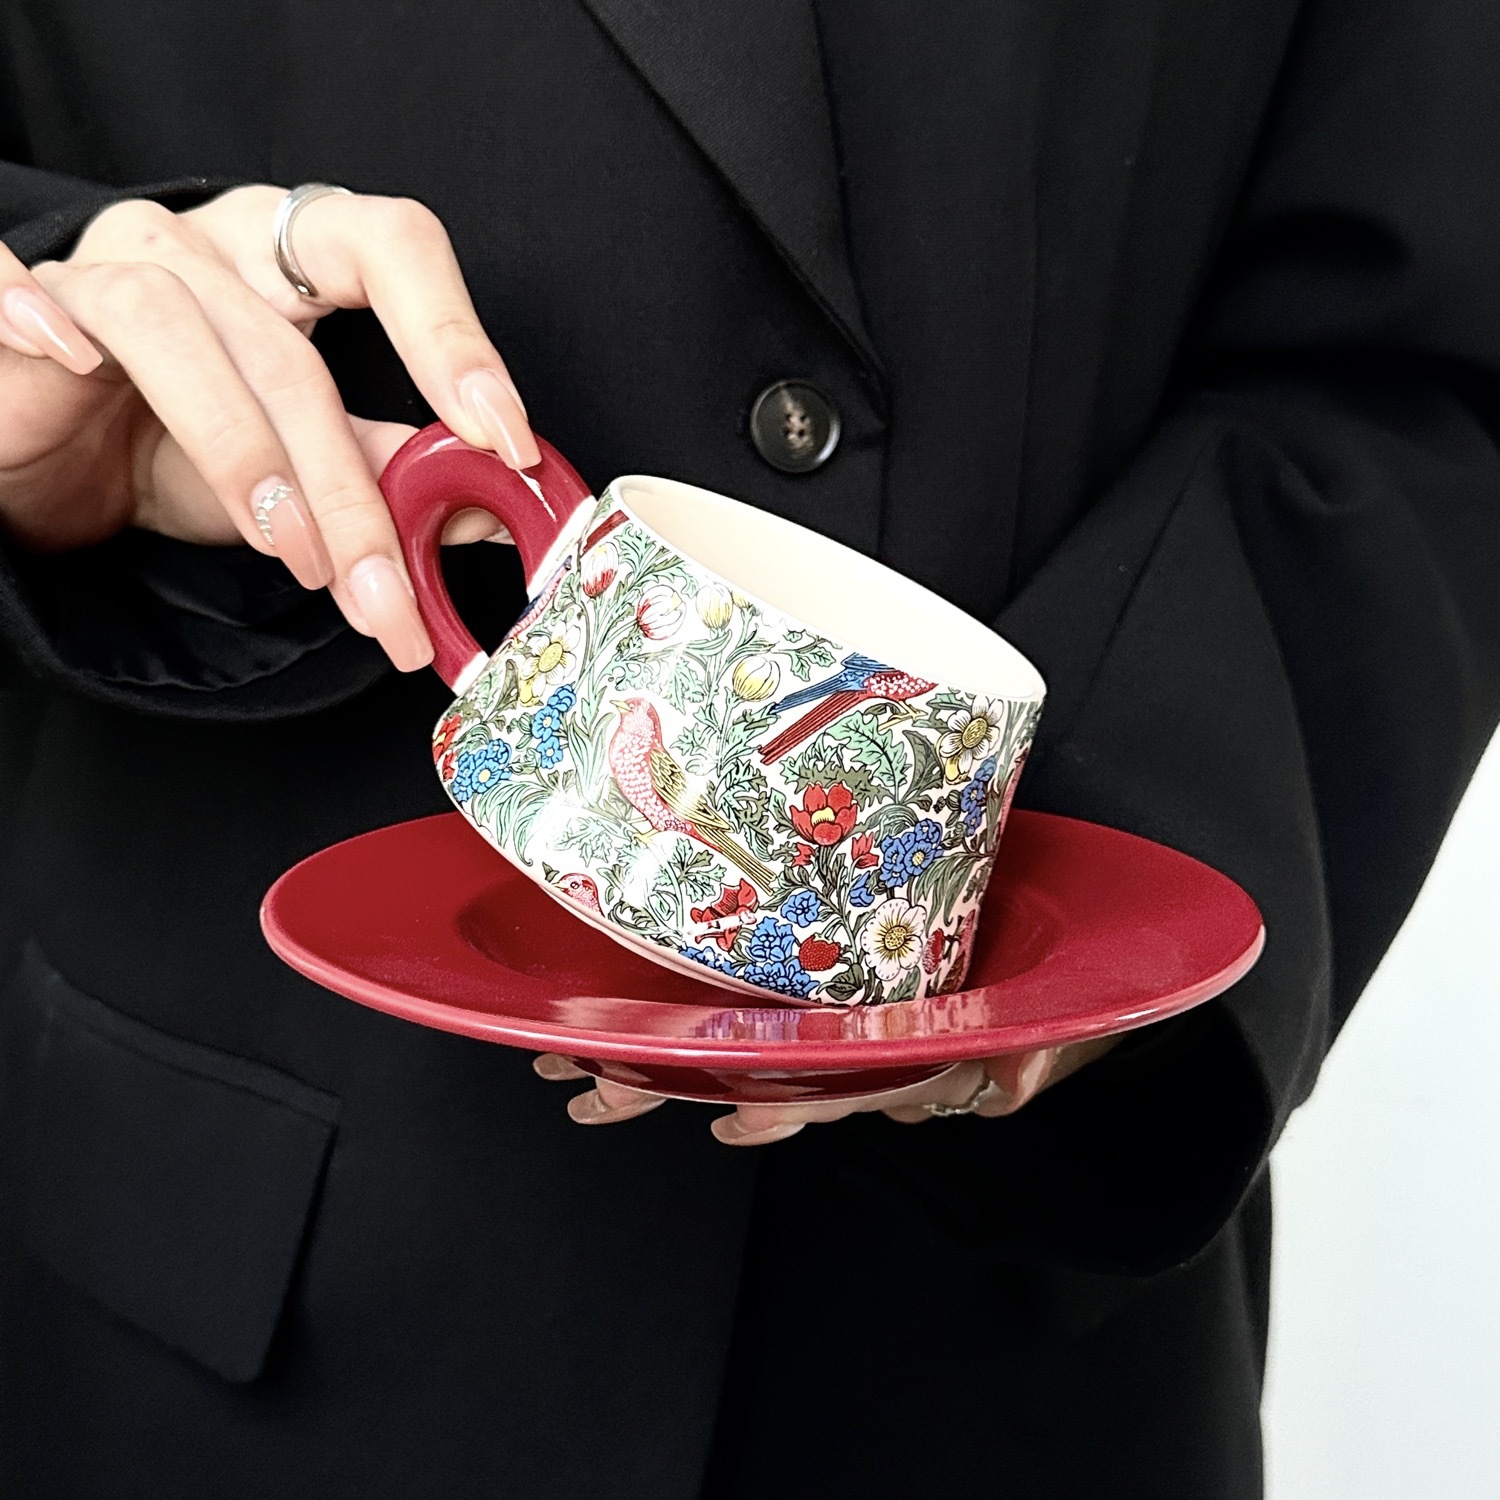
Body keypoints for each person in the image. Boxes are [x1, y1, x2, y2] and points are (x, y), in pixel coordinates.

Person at [1, 1, 1497, 1495]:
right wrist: (63, 349)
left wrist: (1093, 904)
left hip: (999, 1350)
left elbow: (1420, 340)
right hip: (238, 1280)